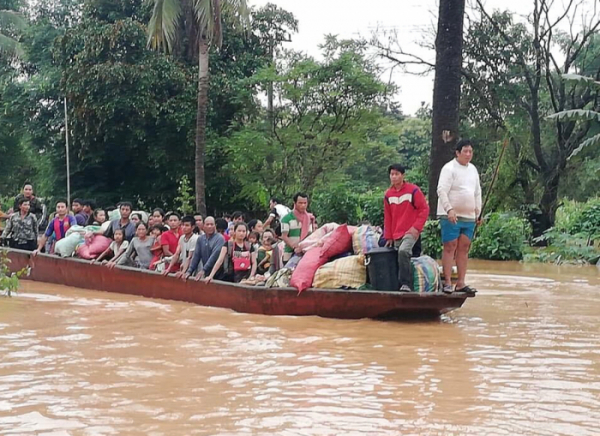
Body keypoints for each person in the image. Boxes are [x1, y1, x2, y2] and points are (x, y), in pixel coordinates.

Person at [437, 139, 482, 295]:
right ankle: (448, 282)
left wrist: (479, 212)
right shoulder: (449, 168)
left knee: (464, 247)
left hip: (469, 216)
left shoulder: (473, 169)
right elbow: (441, 190)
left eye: (470, 151)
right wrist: (449, 209)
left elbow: (477, 192)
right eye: (465, 151)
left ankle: (461, 282)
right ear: (457, 153)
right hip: (451, 215)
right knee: (450, 247)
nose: (468, 154)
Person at [383, 164, 429, 292]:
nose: (394, 177)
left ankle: (406, 284)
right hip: (397, 233)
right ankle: (398, 285)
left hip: (410, 231)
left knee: (403, 251)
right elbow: (388, 217)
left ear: (403, 176)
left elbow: (424, 209)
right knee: (396, 256)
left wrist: (416, 228)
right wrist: (389, 236)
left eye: (397, 174)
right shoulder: (388, 195)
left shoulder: (413, 190)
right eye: (392, 174)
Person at [184, 217, 225, 281]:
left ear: (215, 226)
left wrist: (204, 270)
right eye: (207, 224)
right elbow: (196, 256)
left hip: (220, 273)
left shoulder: (220, 238)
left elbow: (214, 256)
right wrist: (189, 271)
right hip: (207, 273)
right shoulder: (201, 239)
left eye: (211, 224)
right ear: (203, 226)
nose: (209, 226)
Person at [280, 193, 316, 263]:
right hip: (290, 253)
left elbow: (310, 235)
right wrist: (295, 247)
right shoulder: (287, 218)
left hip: (305, 252)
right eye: (300, 203)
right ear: (295, 203)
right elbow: (284, 236)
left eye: (305, 203)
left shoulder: (309, 218)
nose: (303, 205)